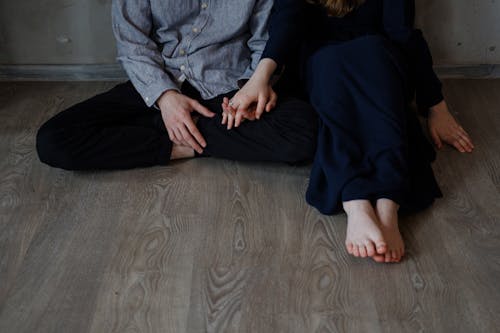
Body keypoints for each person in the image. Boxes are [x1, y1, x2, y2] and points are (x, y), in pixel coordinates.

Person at [224, 0, 474, 263]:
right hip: (320, 67)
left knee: (372, 57)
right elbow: (288, 22)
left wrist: (436, 106)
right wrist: (259, 79)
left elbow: (403, 34)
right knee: (333, 67)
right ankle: (357, 204)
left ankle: (388, 209)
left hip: (379, 63)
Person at [35, 0, 318, 171]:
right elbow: (132, 42)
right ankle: (186, 142)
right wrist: (165, 97)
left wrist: (247, 89)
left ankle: (180, 135)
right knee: (54, 140)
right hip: (160, 81)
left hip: (227, 88)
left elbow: (263, 42)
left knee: (305, 130)